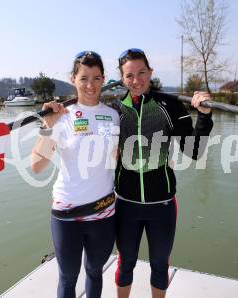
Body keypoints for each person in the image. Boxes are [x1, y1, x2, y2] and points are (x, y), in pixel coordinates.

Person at [114, 48, 213, 298]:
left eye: (142, 73)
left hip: (162, 205)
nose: (136, 81)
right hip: (125, 205)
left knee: (159, 266)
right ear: (121, 78)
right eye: (129, 76)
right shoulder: (113, 110)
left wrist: (203, 116)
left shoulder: (170, 104)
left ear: (151, 72)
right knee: (126, 264)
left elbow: (193, 151)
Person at [31, 51, 120, 298]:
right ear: (73, 79)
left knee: (94, 271)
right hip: (66, 213)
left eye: (96, 78)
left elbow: (117, 158)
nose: (90, 85)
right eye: (83, 78)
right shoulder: (60, 116)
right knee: (68, 277)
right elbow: (37, 167)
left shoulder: (113, 116)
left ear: (104, 79)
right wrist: (47, 126)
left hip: (103, 211)